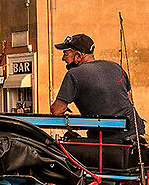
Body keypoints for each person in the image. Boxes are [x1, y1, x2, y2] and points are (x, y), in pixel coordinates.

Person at [49, 33, 144, 170]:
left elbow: (57, 110)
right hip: (136, 133)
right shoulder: (116, 67)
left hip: (108, 141)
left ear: (78, 56)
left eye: (66, 54)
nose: (63, 58)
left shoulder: (74, 74)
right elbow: (130, 100)